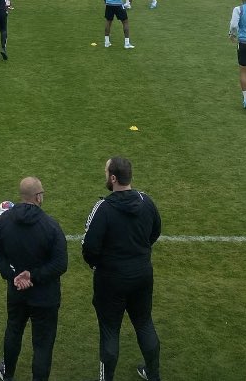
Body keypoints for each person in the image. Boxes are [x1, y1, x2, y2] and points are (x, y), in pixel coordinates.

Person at [82, 156, 162, 381]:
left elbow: (89, 247)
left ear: (114, 178)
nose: (105, 176)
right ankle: (153, 375)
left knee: (109, 331)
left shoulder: (103, 208)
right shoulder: (147, 202)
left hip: (111, 280)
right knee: (144, 323)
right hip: (142, 275)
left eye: (107, 173)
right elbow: (155, 231)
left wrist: (97, 264)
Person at [0, 176, 68, 381]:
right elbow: (60, 264)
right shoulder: (51, 226)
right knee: (42, 343)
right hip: (46, 296)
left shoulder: (3, 221)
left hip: (17, 293)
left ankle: (8, 374)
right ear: (38, 197)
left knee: (14, 330)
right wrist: (33, 275)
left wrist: (14, 276)